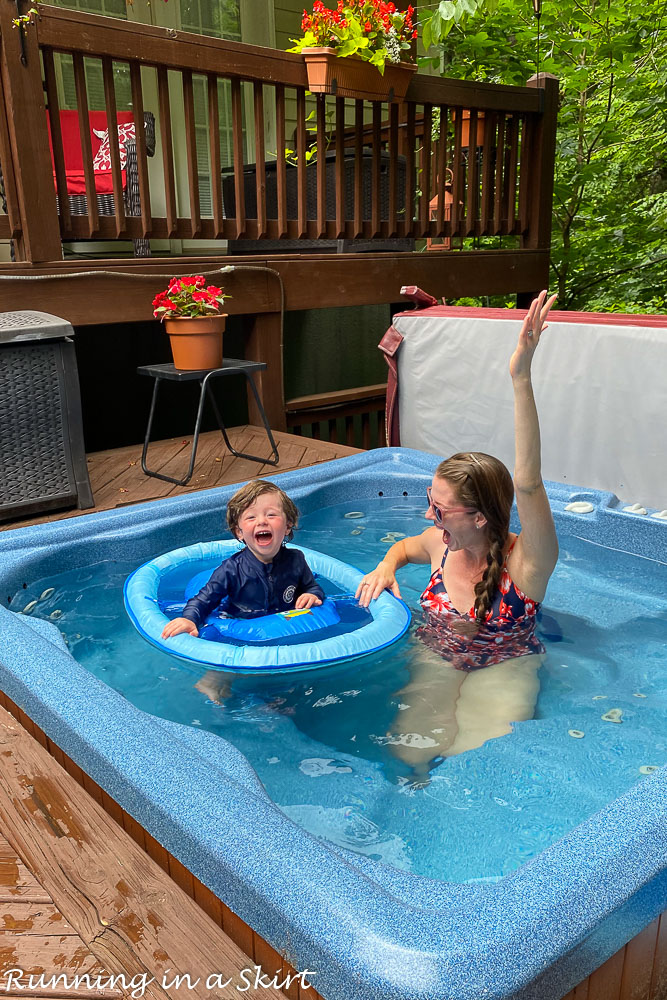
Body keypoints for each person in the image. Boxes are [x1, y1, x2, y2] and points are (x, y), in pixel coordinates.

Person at [356, 290, 559, 782]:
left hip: (504, 665)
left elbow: (528, 482)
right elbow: (403, 548)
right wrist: (385, 566)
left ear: (482, 517)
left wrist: (520, 376)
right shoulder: (438, 545)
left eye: (440, 508)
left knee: (473, 761)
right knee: (411, 754)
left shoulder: (526, 564)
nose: (428, 515)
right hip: (438, 656)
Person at [162, 479, 325, 701]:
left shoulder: (296, 560)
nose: (262, 522)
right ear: (239, 531)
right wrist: (190, 619)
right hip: (239, 621)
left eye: (271, 514)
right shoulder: (231, 570)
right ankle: (215, 678)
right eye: (251, 517)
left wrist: (312, 594)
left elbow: (311, 586)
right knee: (225, 651)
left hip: (281, 623)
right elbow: (204, 599)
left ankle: (273, 695)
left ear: (287, 526)